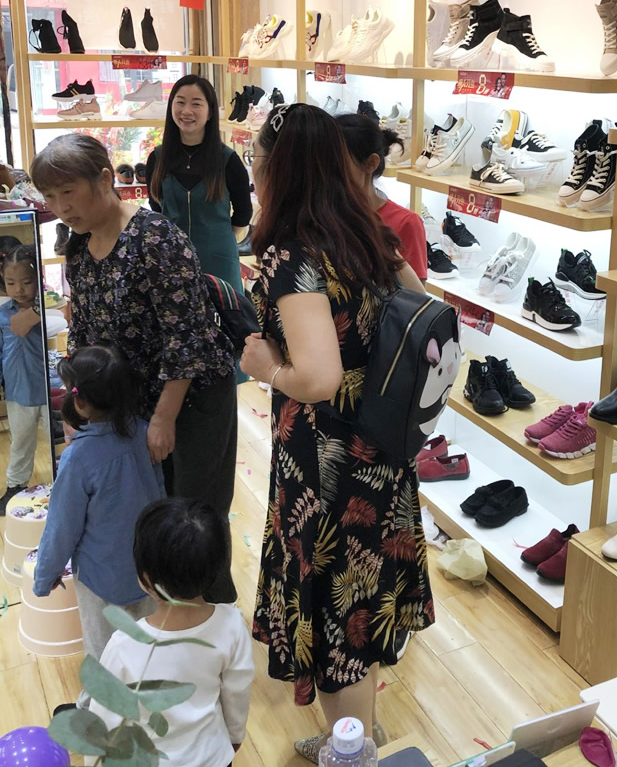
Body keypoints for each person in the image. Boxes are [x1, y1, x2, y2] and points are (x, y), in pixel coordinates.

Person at [241, 105, 432, 763]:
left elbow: (317, 378)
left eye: (259, 161)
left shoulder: (292, 255)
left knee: (335, 619)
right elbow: (425, 309)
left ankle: (352, 750)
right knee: (361, 606)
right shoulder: (368, 236)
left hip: (326, 465)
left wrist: (266, 366)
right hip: (380, 450)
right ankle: (354, 736)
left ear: (278, 169)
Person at [30, 134, 238, 604]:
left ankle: (213, 611)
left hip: (192, 397)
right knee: (150, 508)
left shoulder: (156, 238)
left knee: (194, 513)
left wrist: (164, 418)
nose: (61, 207)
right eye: (50, 196)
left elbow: (186, 340)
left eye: (68, 192)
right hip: (133, 399)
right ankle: (167, 609)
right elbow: (84, 333)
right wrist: (78, 407)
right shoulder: (80, 246)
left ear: (105, 180)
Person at [91, 498, 254, 767]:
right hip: (214, 758)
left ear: (146, 578)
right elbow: (238, 692)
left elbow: (104, 722)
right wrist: (233, 738)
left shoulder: (124, 645)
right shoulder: (232, 624)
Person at [32, 344, 164, 658]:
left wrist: (44, 576)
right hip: (149, 571)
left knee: (105, 656)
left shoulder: (78, 459)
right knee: (147, 652)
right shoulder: (144, 433)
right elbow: (159, 496)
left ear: (79, 401)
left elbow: (61, 528)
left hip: (100, 581)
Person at [146, 75, 252, 292]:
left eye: (196, 104)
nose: (186, 111)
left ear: (210, 111)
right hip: (171, 261)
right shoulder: (157, 159)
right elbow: (156, 207)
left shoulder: (228, 160)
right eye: (180, 102)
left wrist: (217, 238)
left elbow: (243, 214)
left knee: (224, 312)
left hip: (220, 263)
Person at [336, 113, 427, 281]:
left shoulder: (406, 223)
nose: (326, 171)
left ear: (371, 163)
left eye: (338, 163)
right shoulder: (323, 213)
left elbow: (415, 295)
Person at [0, 246, 49, 514]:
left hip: (48, 390)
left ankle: (65, 482)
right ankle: (15, 486)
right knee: (20, 441)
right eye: (11, 283)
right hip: (18, 391)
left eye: (26, 282)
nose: (19, 290)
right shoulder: (2, 314)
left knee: (57, 439)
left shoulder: (47, 309)